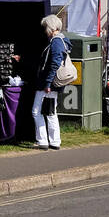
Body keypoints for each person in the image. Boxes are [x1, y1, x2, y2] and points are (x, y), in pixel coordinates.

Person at [35, 15, 68, 150]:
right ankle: (54, 141)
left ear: (51, 27)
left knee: (37, 111)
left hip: (48, 83)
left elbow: (54, 63)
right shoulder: (62, 40)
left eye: (45, 28)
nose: (44, 31)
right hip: (53, 83)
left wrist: (48, 83)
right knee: (50, 111)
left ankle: (43, 140)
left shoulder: (56, 42)